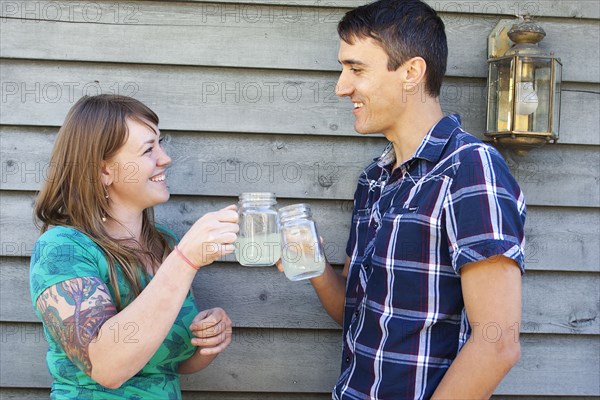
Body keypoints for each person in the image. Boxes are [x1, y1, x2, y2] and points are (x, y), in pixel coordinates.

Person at [295, 1, 526, 398]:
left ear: (411, 73)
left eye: (356, 69)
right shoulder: (374, 179)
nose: (340, 86)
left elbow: (497, 344)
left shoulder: (469, 169)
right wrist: (311, 261)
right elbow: (358, 314)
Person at [30, 94, 239, 399]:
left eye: (160, 144)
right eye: (148, 150)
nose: (165, 158)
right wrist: (185, 261)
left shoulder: (163, 243)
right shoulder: (63, 250)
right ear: (104, 171)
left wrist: (205, 342)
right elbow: (108, 367)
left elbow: (165, 364)